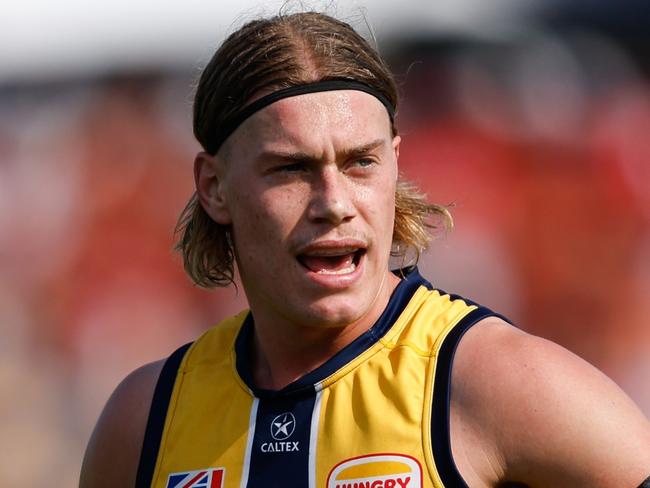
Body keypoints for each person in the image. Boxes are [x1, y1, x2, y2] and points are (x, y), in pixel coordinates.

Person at [80, 11, 650, 488]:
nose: (334, 202)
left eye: (360, 163)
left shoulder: (496, 382)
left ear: (396, 162)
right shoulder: (145, 419)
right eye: (290, 168)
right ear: (213, 187)